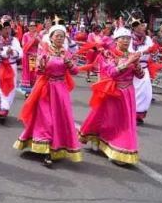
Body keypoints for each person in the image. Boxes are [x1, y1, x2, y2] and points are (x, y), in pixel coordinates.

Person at [14, 24, 82, 167]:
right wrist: (42, 64)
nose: (59, 38)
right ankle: (47, 151)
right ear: (51, 37)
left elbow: (75, 71)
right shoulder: (44, 51)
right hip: (46, 89)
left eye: (62, 36)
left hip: (61, 91)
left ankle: (55, 147)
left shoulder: (66, 53)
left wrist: (69, 63)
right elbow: (38, 71)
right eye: (56, 36)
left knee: (60, 119)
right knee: (47, 120)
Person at [78, 26, 143, 166]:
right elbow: (112, 72)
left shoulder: (132, 54)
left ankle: (121, 147)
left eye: (128, 38)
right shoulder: (108, 54)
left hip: (128, 92)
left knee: (126, 123)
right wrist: (129, 62)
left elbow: (140, 75)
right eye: (123, 39)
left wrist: (137, 65)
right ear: (116, 40)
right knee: (108, 119)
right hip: (113, 92)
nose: (126, 41)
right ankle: (100, 139)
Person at [0, 20, 22, 124]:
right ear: (0, 30)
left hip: (12, 67)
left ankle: (6, 107)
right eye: (4, 28)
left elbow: (20, 53)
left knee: (11, 88)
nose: (7, 30)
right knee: (0, 88)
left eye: (8, 28)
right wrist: (4, 53)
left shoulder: (15, 40)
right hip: (0, 66)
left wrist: (13, 52)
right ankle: (2, 109)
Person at [129, 18, 153, 124]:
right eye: (136, 26)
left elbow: (152, 49)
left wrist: (152, 51)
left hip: (144, 68)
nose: (139, 27)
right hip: (133, 68)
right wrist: (142, 52)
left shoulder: (147, 38)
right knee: (134, 92)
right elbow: (130, 52)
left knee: (146, 93)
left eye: (141, 25)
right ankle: (131, 115)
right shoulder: (129, 38)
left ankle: (139, 114)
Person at [20, 21, 41, 96]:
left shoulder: (38, 35)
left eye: (34, 26)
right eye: (31, 26)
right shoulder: (26, 35)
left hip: (35, 56)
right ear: (28, 27)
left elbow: (41, 45)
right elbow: (24, 46)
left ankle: (33, 90)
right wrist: (32, 40)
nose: (32, 27)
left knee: (34, 73)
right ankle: (28, 91)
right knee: (29, 73)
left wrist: (37, 38)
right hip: (28, 56)